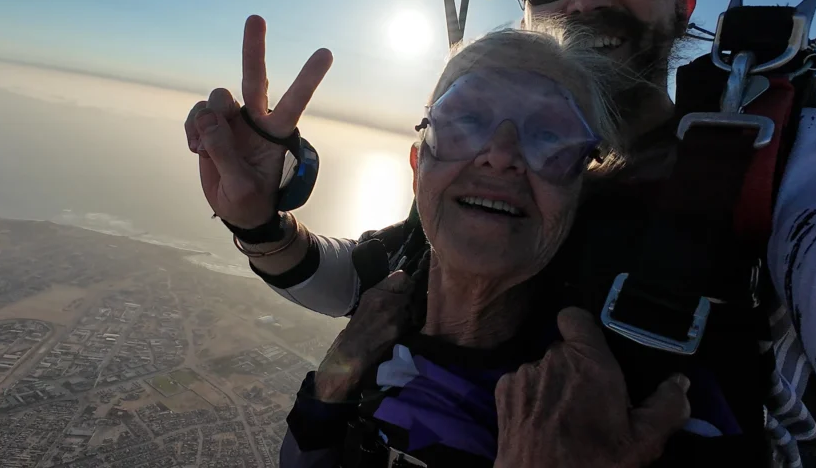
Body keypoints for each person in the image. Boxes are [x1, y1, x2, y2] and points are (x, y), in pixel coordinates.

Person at [185, 0, 816, 465]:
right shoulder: (491, 173)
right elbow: (362, 283)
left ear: (682, 5)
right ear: (530, 13)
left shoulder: (790, 175)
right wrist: (259, 222)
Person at [277, 26, 698, 467]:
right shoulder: (383, 320)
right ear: (419, 167)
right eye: (467, 121)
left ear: (580, 191)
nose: (500, 154)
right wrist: (326, 391)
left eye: (550, 134)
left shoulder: (606, 401)